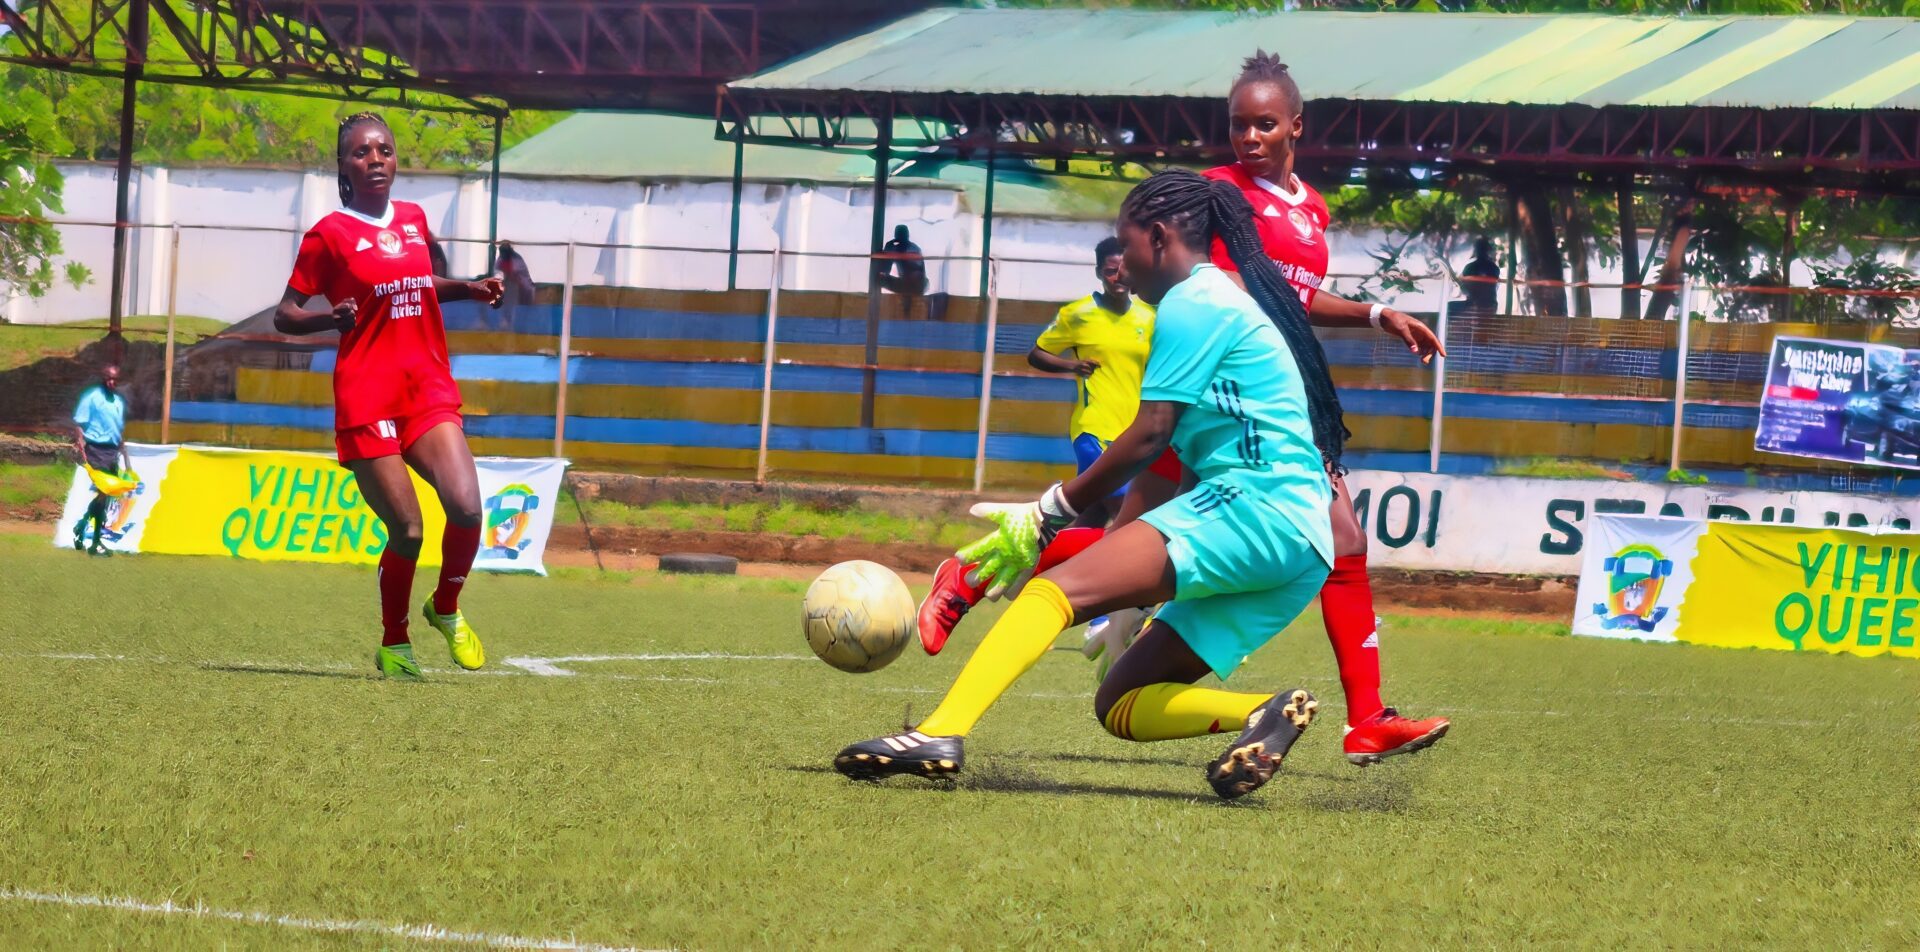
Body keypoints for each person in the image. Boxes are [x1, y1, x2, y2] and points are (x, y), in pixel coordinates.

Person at [914, 51, 1450, 767]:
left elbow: (1291, 295)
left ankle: (1364, 719)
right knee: (1144, 541)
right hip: (1208, 383)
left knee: (1334, 537)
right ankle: (977, 576)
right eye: (1239, 125)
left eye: (1265, 124)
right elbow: (1207, 283)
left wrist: (1377, 312)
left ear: (1296, 125)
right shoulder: (1213, 195)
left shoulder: (1310, 209)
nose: (1249, 137)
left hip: (1253, 389)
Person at [836, 170, 1343, 800]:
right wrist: (1135, 587)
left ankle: (940, 732)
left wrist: (1049, 510)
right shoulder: (1212, 303)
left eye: (1125, 245)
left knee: (1052, 593)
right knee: (1120, 703)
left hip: (1258, 507)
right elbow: (1182, 463)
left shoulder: (1193, 302)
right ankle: (1263, 714)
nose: (1120, 264)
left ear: (1159, 237)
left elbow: (1150, 434)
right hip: (1301, 545)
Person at [273, 112, 504, 680]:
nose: (375, 159)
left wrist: (470, 288)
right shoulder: (328, 235)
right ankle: (395, 642)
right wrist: (330, 319)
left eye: (384, 150)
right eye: (361, 152)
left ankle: (445, 606)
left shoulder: (414, 218)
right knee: (409, 530)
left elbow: (420, 284)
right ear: (343, 165)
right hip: (368, 397)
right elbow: (285, 314)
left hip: (426, 387)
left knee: (467, 507)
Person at [1026, 237, 1155, 523]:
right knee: (1122, 511)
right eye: (1110, 271)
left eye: (1123, 270)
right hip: (1095, 429)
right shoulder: (1077, 314)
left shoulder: (1149, 318)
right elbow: (1036, 354)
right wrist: (1071, 365)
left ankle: (1043, 549)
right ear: (1098, 273)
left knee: (1092, 514)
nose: (1117, 277)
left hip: (1132, 432)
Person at [70, 363, 128, 555]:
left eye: (115, 380)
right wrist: (80, 442)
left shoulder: (118, 402)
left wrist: (125, 455)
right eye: (108, 378)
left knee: (105, 495)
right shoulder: (92, 397)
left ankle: (82, 526)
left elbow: (118, 430)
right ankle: (95, 542)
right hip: (96, 449)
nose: (111, 382)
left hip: (112, 451)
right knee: (103, 493)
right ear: (103, 378)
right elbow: (79, 423)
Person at [874, 223, 928, 317]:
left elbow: (885, 270)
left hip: (913, 285)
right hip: (918, 285)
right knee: (880, 278)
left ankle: (875, 304)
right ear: (908, 235)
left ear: (896, 237)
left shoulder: (898, 249)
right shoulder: (914, 247)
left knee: (877, 278)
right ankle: (906, 302)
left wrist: (887, 250)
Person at [1460, 238, 1500, 314]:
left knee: (1450, 306)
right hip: (1491, 308)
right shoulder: (1494, 268)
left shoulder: (1469, 267)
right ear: (1488, 251)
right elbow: (1495, 288)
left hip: (1473, 307)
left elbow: (1464, 290)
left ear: (1476, 251)